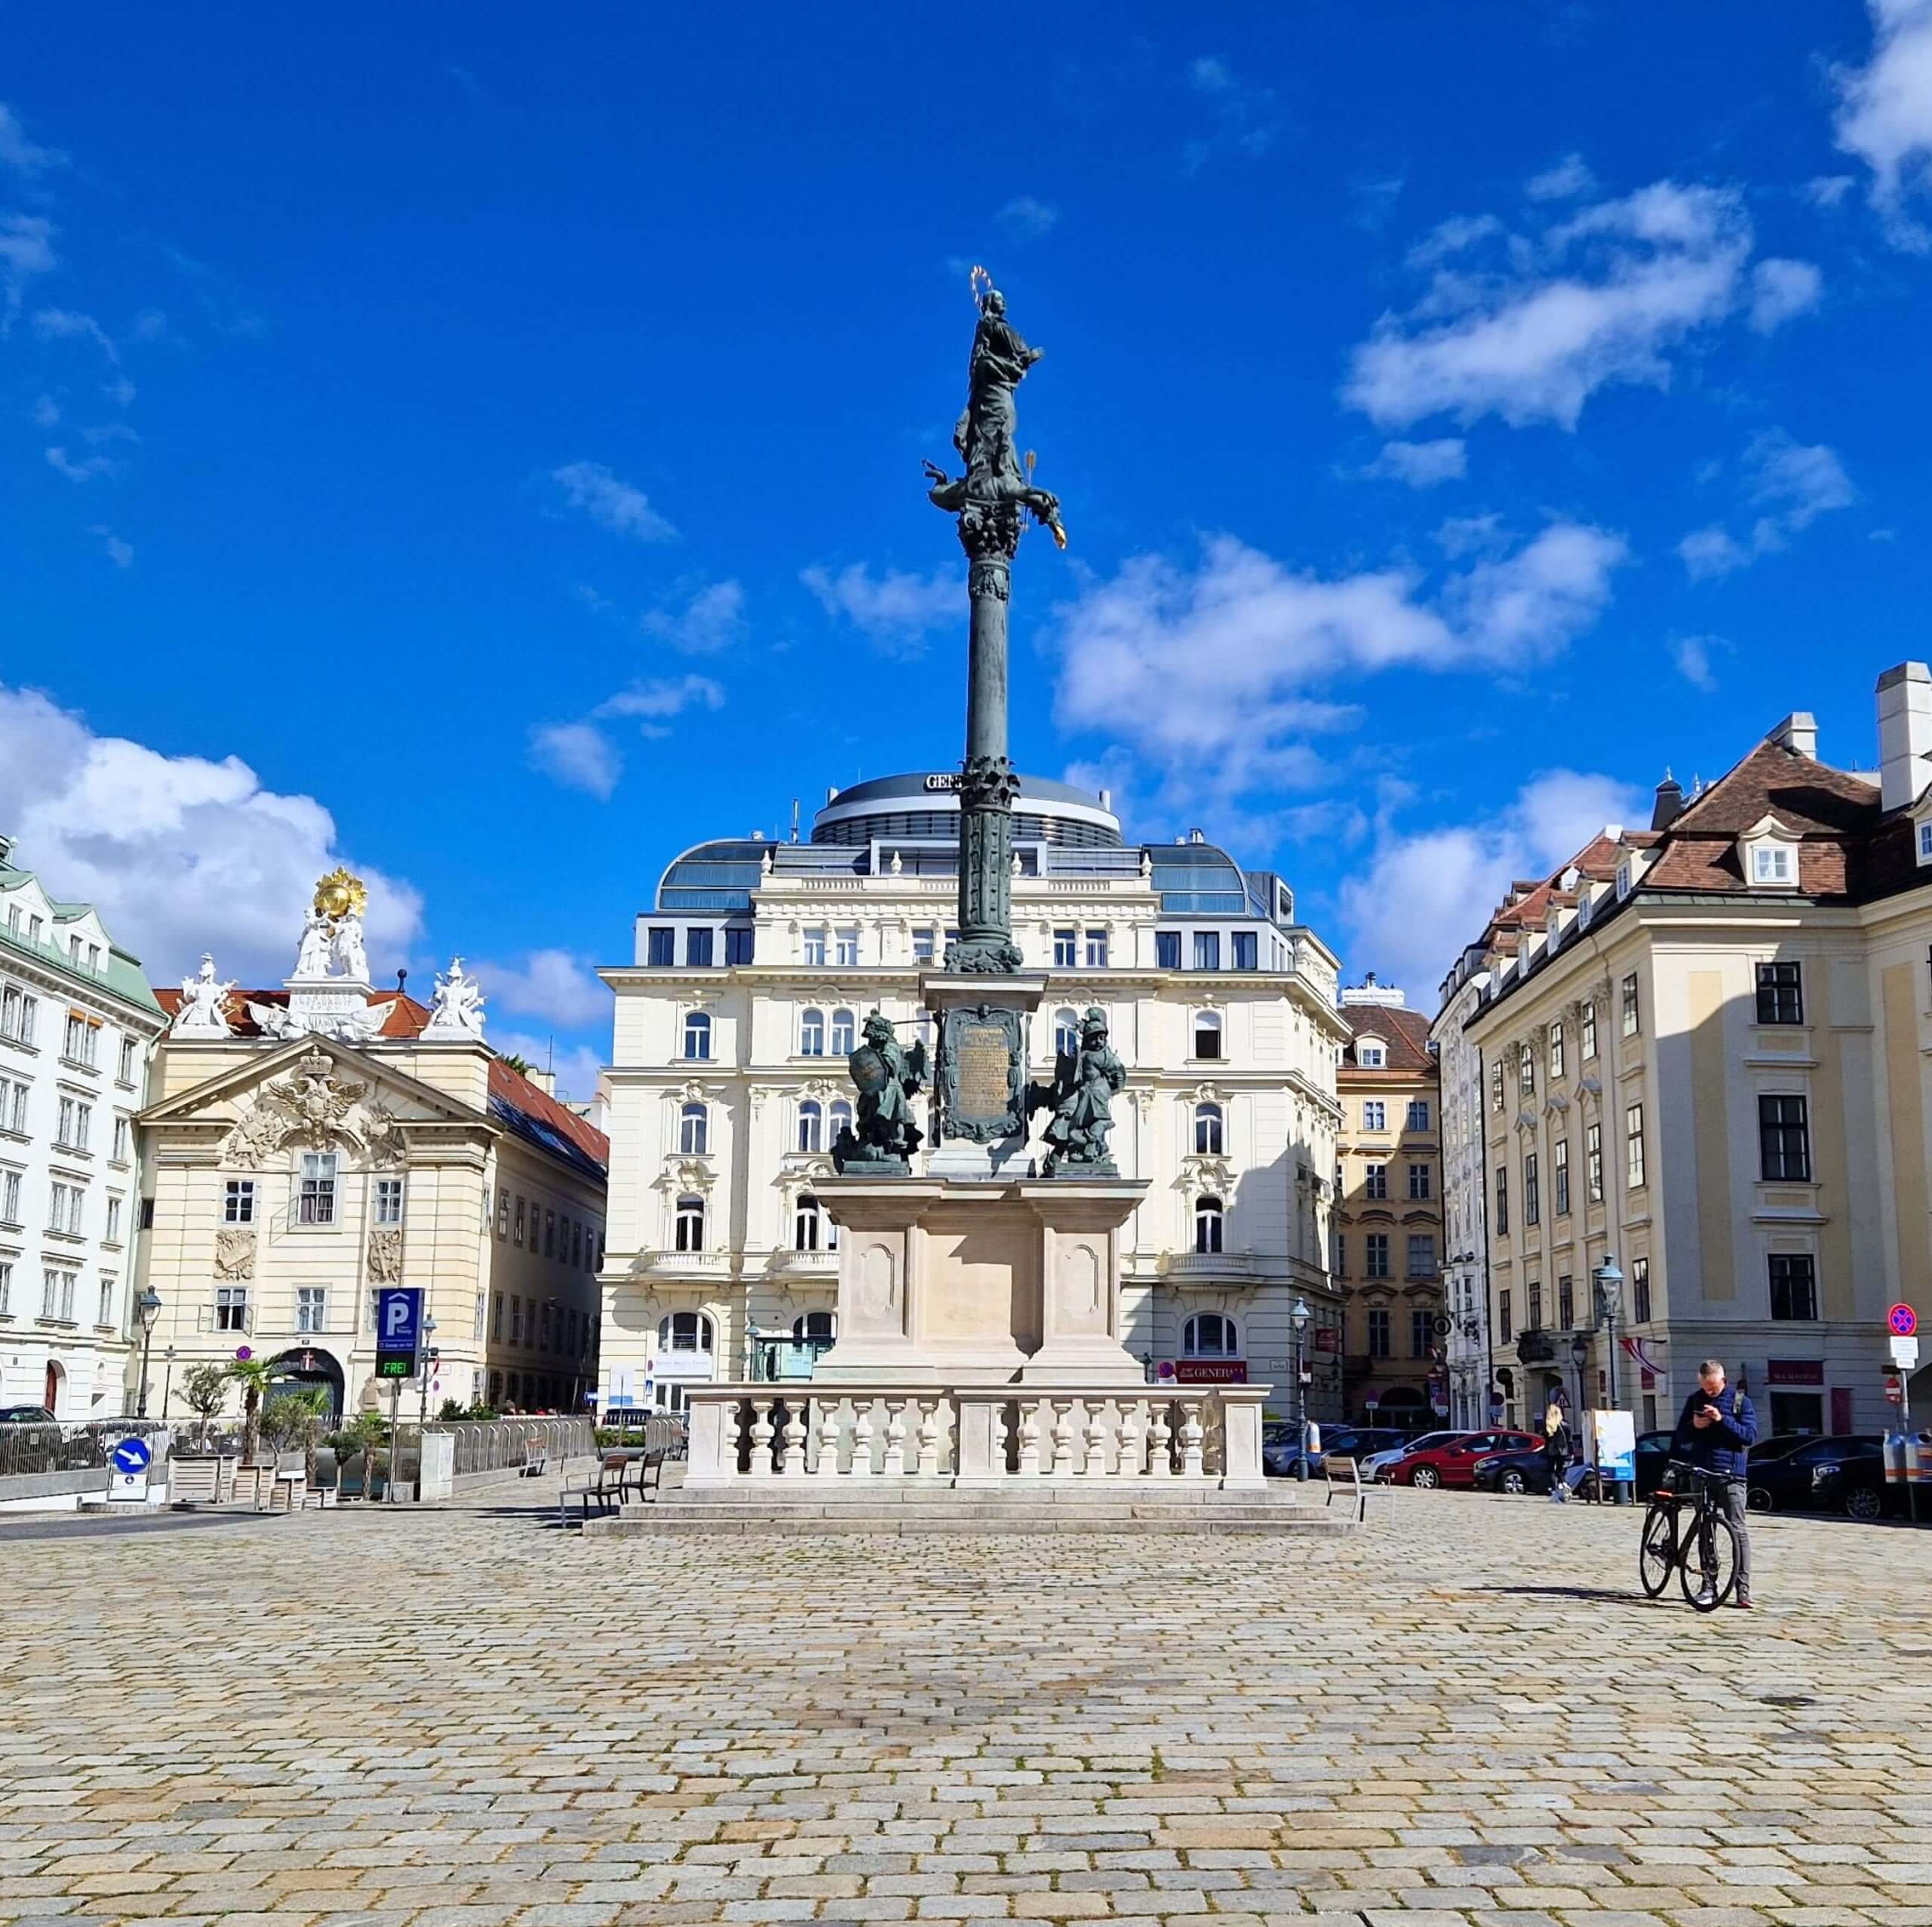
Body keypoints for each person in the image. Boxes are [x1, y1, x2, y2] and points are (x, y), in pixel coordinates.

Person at [1671, 1359, 1758, 1609]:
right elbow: (1681, 1436)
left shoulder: (1740, 1402)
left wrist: (1722, 1419)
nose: (1709, 1392)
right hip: (1702, 1472)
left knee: (1738, 1530)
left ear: (1723, 1381)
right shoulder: (1694, 1400)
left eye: (1713, 1388)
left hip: (1732, 1475)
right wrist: (1694, 1426)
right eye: (1705, 1387)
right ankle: (1709, 1585)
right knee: (1705, 1529)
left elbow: (1749, 1436)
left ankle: (1743, 1590)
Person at [1544, 1401, 1571, 1504]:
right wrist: (1571, 1451)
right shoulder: (1566, 1425)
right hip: (1563, 1451)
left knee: (1551, 1471)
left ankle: (1554, 1491)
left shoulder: (1548, 1426)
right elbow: (1570, 1440)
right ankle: (1563, 1484)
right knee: (1560, 1471)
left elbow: (1546, 1440)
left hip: (1551, 1451)